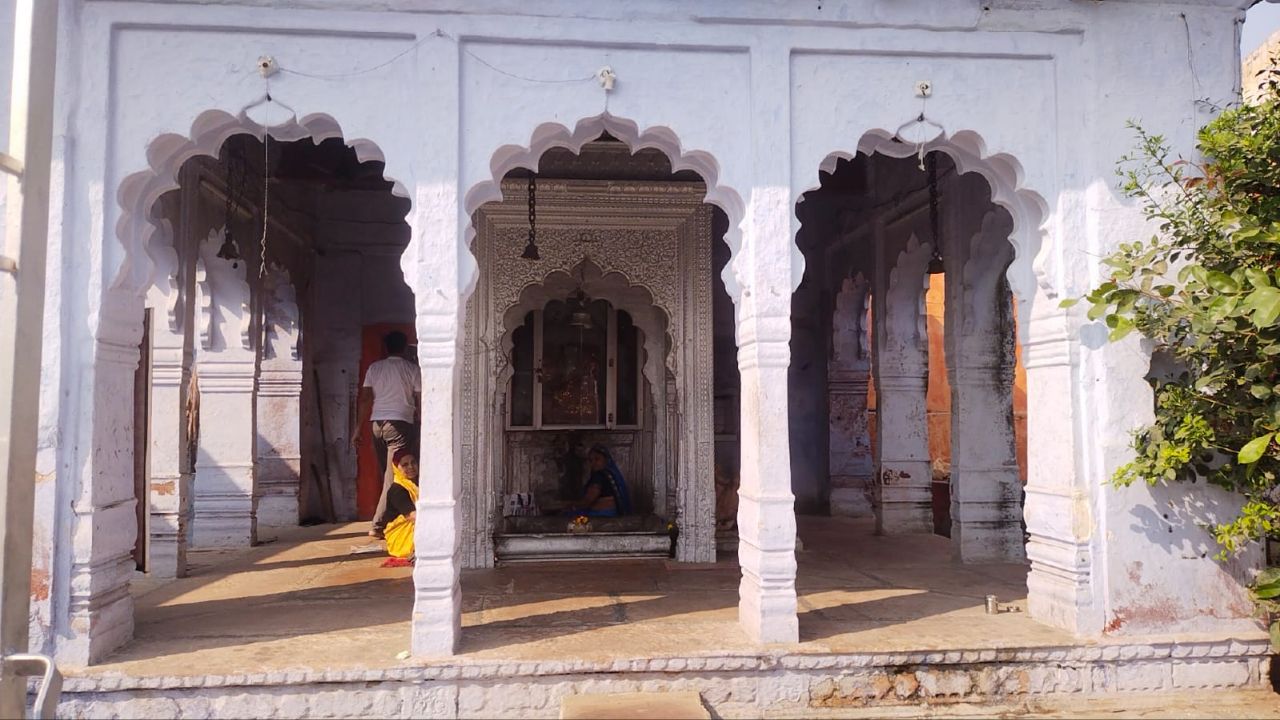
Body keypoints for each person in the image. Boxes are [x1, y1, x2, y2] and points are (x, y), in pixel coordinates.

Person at [354, 330, 421, 539]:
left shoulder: (375, 368)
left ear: (386, 348)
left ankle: (389, 518)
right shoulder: (411, 369)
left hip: (377, 424)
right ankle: (379, 525)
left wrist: (357, 428)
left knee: (389, 474)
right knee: (392, 477)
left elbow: (365, 399)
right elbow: (421, 399)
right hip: (399, 424)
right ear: (404, 347)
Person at [566, 445, 633, 517]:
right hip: (612, 513)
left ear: (606, 460)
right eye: (591, 460)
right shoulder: (610, 474)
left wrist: (571, 505)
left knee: (566, 516)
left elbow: (588, 501)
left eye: (597, 459)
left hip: (602, 514)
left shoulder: (599, 476)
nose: (593, 463)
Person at [382, 450, 419, 560]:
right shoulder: (397, 490)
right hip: (399, 537)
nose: (411, 467)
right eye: (405, 465)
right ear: (396, 467)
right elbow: (412, 516)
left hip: (413, 527)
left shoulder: (416, 484)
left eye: (413, 462)